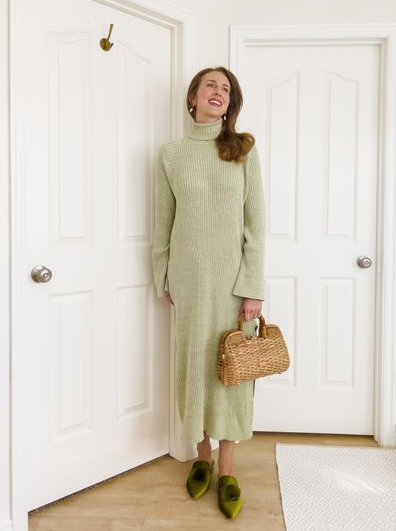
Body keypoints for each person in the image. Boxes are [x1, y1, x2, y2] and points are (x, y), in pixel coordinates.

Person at [152, 66, 265, 519]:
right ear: (193, 97)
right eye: (210, 86)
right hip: (188, 283)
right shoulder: (171, 155)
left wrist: (253, 287)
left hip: (235, 287)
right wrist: (163, 278)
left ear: (230, 102)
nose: (218, 92)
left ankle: (229, 469)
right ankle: (201, 458)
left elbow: (256, 224)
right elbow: (162, 224)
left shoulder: (244, 151)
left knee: (232, 372)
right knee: (194, 368)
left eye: (226, 88)